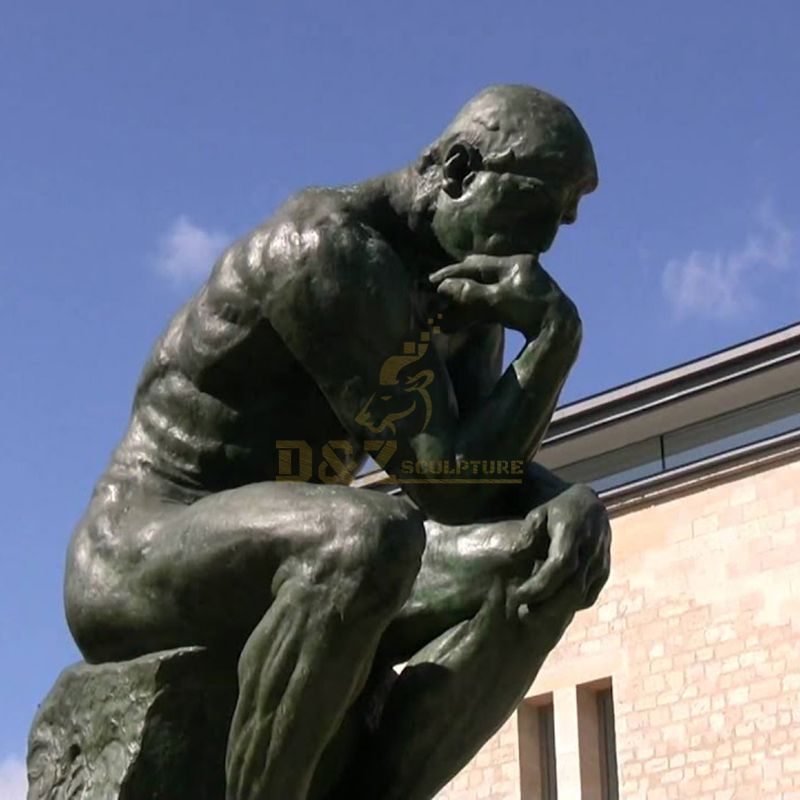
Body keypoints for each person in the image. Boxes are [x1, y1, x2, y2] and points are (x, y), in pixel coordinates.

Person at [64, 84, 611, 800]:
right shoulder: (326, 249)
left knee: (547, 555)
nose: (541, 245)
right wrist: (555, 342)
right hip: (142, 547)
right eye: (535, 208)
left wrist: (567, 503)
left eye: (560, 224)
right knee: (366, 535)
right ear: (457, 170)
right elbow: (452, 483)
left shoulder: (467, 301)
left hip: (304, 557)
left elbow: (484, 474)